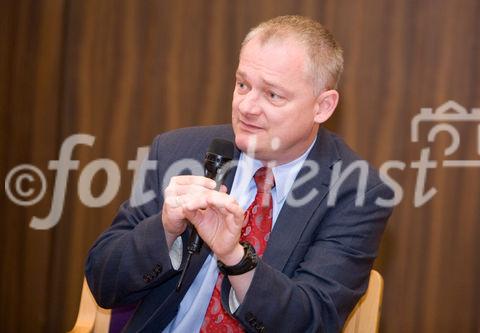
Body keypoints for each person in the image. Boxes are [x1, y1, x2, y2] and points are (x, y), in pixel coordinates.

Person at [85, 15, 393, 333]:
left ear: (323, 107)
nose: (246, 107)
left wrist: (234, 256)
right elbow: (103, 282)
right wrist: (165, 230)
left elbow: (311, 321)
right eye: (242, 84)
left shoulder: (356, 192)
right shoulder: (178, 152)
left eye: (273, 95)